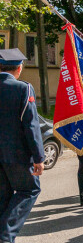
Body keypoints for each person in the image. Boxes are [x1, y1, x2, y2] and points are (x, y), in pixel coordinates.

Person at [0, 49, 44, 243]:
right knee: (29, 190)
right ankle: (6, 235)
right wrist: (39, 157)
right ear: (19, 68)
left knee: (4, 195)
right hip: (16, 155)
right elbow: (31, 125)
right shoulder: (23, 88)